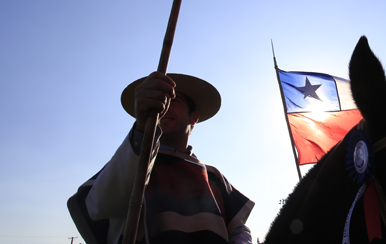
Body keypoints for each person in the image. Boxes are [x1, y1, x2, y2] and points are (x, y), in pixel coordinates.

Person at [68, 72, 254, 244]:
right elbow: (100, 206)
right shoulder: (131, 163)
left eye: (175, 101)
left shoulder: (213, 176)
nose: (164, 107)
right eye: (161, 101)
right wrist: (141, 127)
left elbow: (237, 229)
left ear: (193, 117)